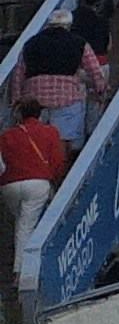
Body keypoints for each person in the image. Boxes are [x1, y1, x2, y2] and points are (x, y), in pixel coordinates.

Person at [1, 98, 65, 281]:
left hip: (9, 185)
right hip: (38, 183)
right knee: (25, 226)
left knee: (22, 222)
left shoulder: (6, 136)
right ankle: (20, 272)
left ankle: (21, 264)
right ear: (40, 113)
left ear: (19, 114)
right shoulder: (50, 132)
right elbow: (57, 162)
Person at [15, 26, 96, 149]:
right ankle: (59, 166)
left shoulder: (30, 43)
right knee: (61, 140)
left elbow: (18, 74)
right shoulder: (78, 42)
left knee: (36, 141)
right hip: (66, 98)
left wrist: (16, 98)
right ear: (68, 25)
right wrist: (100, 88)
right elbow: (95, 69)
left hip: (35, 100)